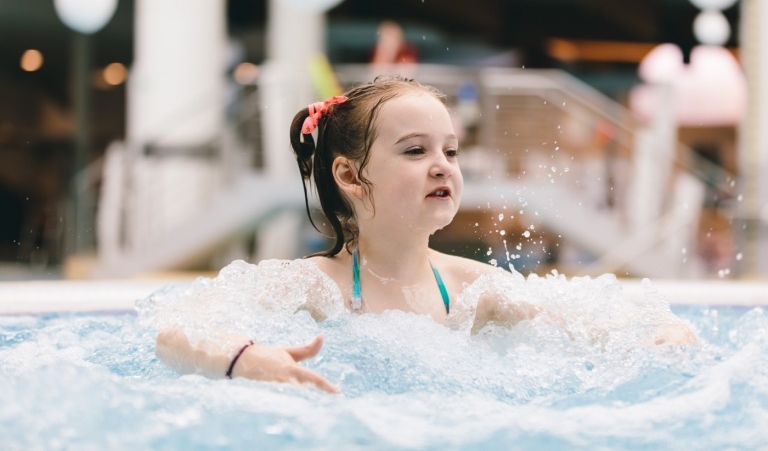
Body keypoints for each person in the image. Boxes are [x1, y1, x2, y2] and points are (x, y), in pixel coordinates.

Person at [151, 76, 697, 393]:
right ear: (349, 176)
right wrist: (244, 358)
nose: (442, 166)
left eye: (450, 151)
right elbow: (177, 329)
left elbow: (584, 320)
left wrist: (652, 334)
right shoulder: (315, 287)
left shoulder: (472, 290)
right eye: (415, 151)